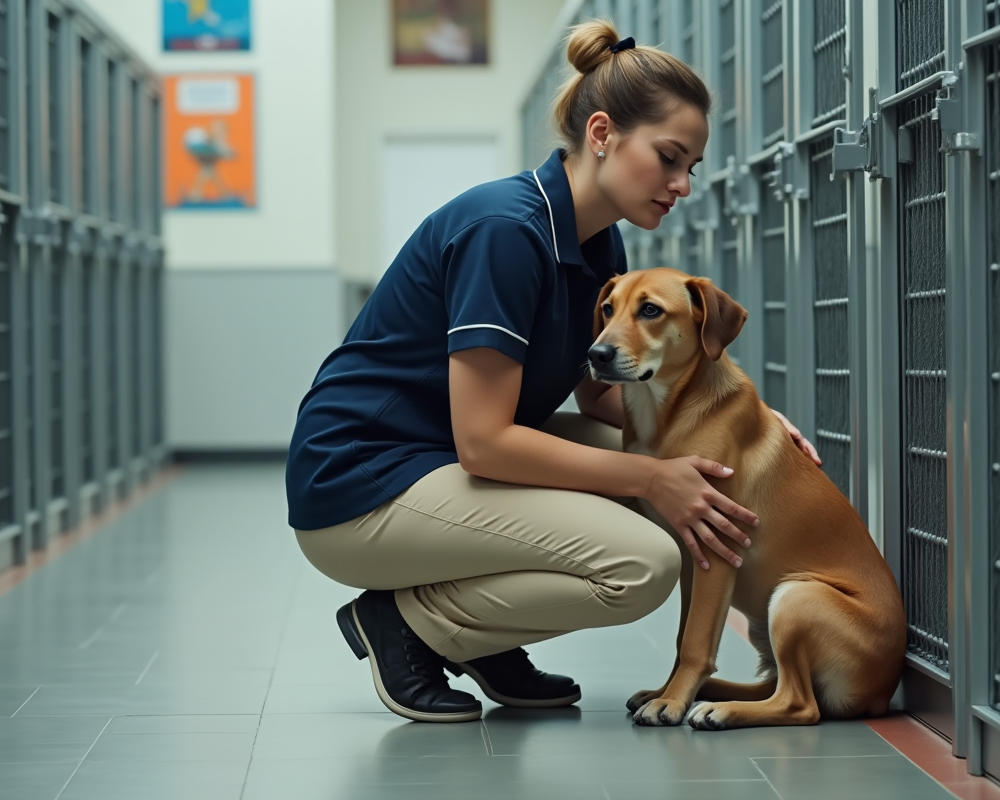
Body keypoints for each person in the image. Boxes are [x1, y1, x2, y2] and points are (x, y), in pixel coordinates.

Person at [285, 20, 820, 724]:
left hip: (440, 461)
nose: (683, 184)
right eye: (669, 158)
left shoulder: (597, 240)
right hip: (363, 482)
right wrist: (652, 477)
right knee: (643, 562)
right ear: (602, 134)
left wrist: (740, 424)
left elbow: (600, 392)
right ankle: (411, 626)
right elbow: (484, 443)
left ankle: (483, 639)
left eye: (690, 165)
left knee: (687, 469)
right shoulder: (507, 231)